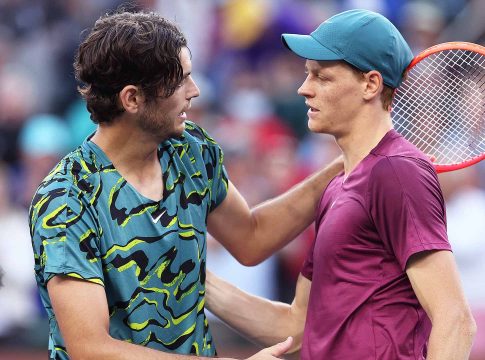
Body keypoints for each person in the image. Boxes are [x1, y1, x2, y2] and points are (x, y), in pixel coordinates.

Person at [28, 10, 343, 360]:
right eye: (180, 82)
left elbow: (251, 239)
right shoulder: (66, 197)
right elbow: (91, 348)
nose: (194, 92)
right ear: (132, 99)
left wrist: (344, 165)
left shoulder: (191, 149)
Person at [205, 9, 476, 360]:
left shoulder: (397, 170)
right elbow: (297, 327)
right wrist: (197, 279)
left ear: (370, 84)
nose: (304, 89)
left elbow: (455, 320)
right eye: (307, 75)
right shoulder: (337, 186)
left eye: (322, 77)